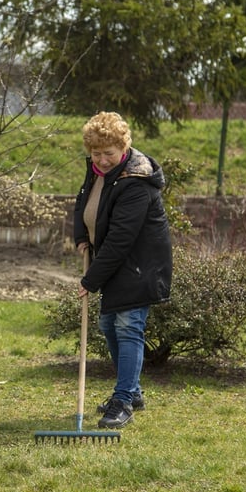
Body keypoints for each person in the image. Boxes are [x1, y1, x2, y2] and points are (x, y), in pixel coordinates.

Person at [73, 111, 172, 429]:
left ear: (124, 147)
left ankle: (124, 400)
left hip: (140, 265)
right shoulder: (99, 170)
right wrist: (80, 236)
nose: (101, 160)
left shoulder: (135, 181)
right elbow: (83, 202)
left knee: (128, 327)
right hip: (115, 263)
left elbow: (120, 239)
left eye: (108, 153)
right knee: (108, 325)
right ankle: (133, 391)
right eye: (96, 153)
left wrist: (91, 280)